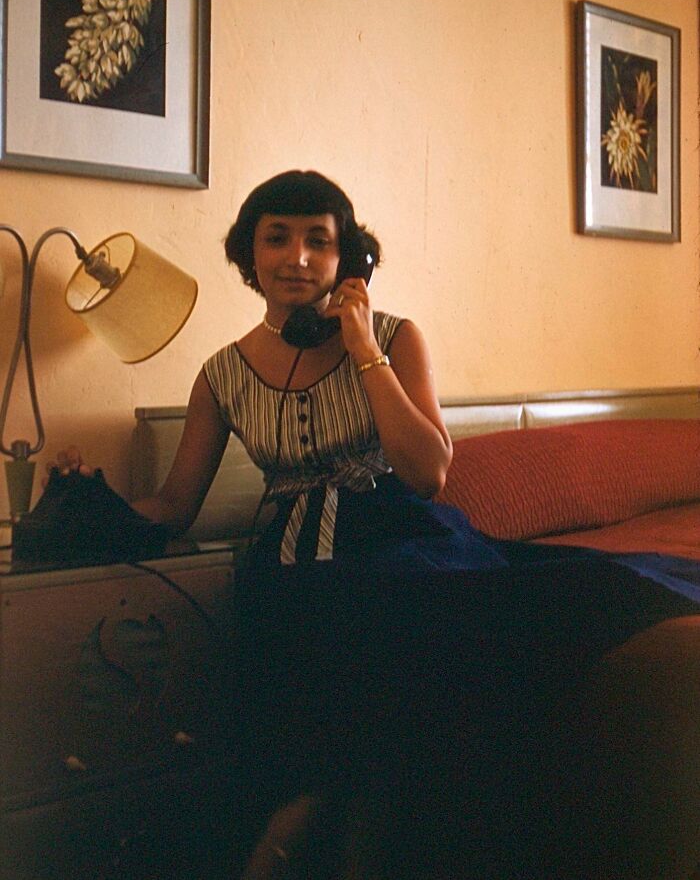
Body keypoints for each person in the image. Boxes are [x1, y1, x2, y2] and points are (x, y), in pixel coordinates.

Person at [49, 170, 700, 880]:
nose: (297, 257)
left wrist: (364, 351)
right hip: (293, 560)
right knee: (355, 628)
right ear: (249, 256)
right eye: (278, 239)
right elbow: (173, 506)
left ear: (347, 261)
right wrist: (90, 502)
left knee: (585, 584)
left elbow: (428, 474)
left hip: (402, 538)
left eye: (319, 242)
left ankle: (300, 826)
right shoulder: (220, 375)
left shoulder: (394, 338)